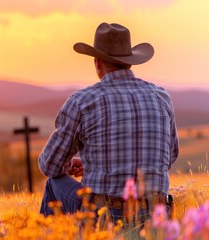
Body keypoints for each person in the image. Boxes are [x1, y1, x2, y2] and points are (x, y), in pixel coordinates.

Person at [38, 22, 179, 223]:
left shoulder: (83, 101)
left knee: (54, 183)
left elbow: (50, 165)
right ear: (130, 61)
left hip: (105, 218)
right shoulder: (161, 97)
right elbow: (170, 156)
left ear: (97, 62)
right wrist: (99, 164)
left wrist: (74, 165)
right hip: (156, 217)